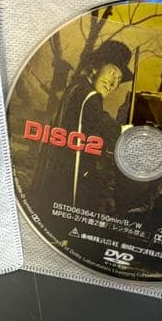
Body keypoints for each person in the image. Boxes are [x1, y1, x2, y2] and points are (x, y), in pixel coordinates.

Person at [59, 40, 134, 212]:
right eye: (112, 72)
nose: (113, 82)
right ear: (95, 67)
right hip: (70, 182)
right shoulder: (89, 95)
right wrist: (122, 130)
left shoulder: (75, 88)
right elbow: (98, 119)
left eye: (119, 79)